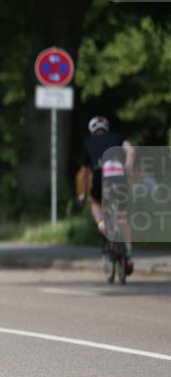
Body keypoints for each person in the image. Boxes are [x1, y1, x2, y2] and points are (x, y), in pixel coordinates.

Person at [78, 116, 136, 275]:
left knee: (95, 203)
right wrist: (127, 169)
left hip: (100, 177)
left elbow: (85, 173)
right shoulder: (118, 137)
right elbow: (131, 151)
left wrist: (84, 194)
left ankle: (103, 226)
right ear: (106, 128)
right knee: (122, 217)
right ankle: (128, 256)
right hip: (119, 176)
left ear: (92, 130)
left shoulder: (88, 142)